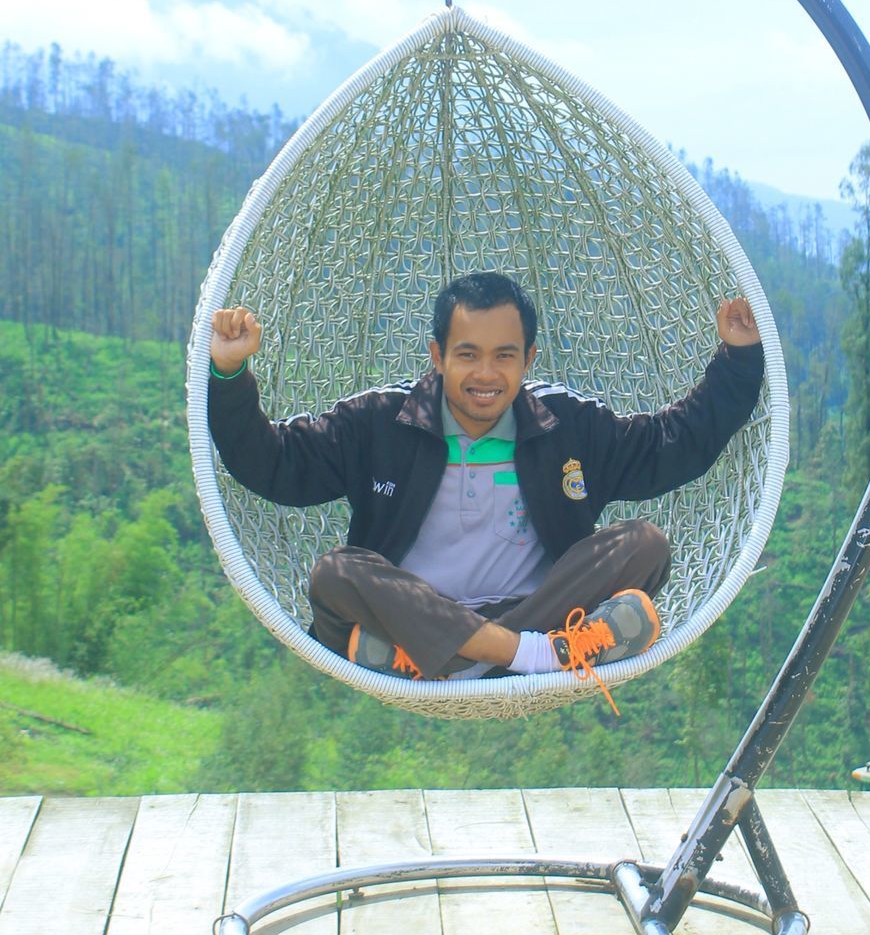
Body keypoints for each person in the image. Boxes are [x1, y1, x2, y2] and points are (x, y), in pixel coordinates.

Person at [207, 271, 762, 706]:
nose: (486, 374)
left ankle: (449, 659)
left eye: (504, 356)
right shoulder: (376, 423)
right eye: (467, 354)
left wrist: (738, 360)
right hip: (422, 613)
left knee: (644, 545)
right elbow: (272, 465)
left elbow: (671, 443)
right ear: (436, 355)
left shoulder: (566, 426)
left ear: (529, 360)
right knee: (335, 574)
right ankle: (533, 657)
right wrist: (230, 375)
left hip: (535, 611)